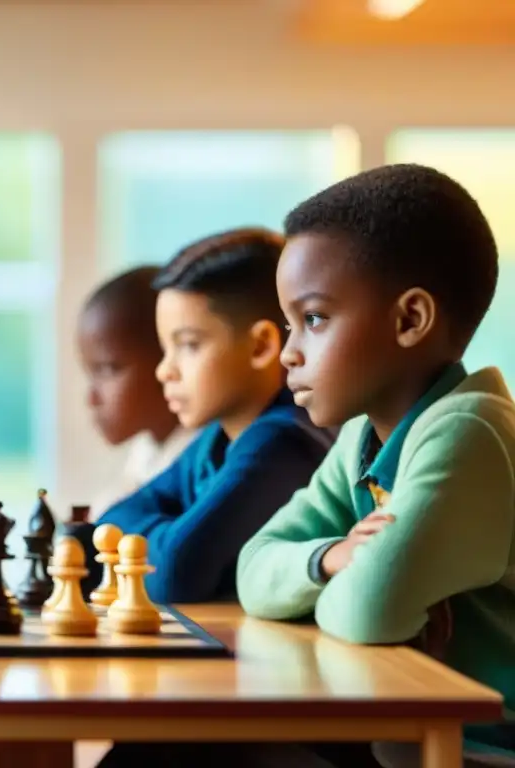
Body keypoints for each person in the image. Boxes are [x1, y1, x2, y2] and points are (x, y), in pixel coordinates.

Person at [238, 163, 515, 767]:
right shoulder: (362, 438)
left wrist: (349, 585)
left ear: (409, 320)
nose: (288, 352)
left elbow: (371, 611)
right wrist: (334, 556)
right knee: (188, 748)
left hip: (481, 751)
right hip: (410, 738)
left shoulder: (469, 432)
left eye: (312, 319)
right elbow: (252, 570)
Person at [69, 227, 334, 607]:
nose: (166, 371)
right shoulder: (217, 439)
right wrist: (167, 535)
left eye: (188, 345)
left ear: (260, 346)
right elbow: (114, 516)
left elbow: (177, 574)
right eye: (165, 349)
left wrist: (155, 539)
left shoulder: (281, 443)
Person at [76, 266, 196, 519]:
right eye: (89, 373)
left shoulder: (202, 454)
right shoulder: (149, 447)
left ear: (167, 359)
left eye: (107, 369)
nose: (91, 398)